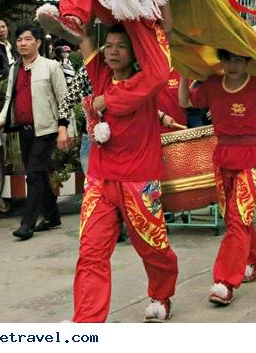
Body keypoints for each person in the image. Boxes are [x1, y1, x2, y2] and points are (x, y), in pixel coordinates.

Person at [71, 20, 180, 322]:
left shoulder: (148, 80)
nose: (113, 52)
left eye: (122, 46)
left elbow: (160, 62)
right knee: (91, 251)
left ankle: (161, 295)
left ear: (135, 53)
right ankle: (87, 323)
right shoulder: (101, 76)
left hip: (139, 180)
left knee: (153, 247)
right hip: (100, 179)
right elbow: (85, 38)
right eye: (110, 45)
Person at [179, 50, 256, 306]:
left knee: (237, 218)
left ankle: (224, 281)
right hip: (222, 156)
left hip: (250, 158)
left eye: (238, 60)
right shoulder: (213, 84)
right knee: (234, 216)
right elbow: (186, 102)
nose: (232, 65)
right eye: (227, 59)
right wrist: (184, 74)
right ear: (221, 61)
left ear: (247, 62)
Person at [0, 24, 70, 241]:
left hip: (47, 129)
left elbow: (64, 99)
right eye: (19, 40)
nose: (23, 43)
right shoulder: (14, 68)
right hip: (24, 130)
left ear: (38, 42)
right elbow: (10, 99)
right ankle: (53, 216)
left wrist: (65, 129)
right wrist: (0, 120)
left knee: (34, 173)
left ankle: (27, 224)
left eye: (28, 39)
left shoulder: (51, 67)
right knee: (40, 173)